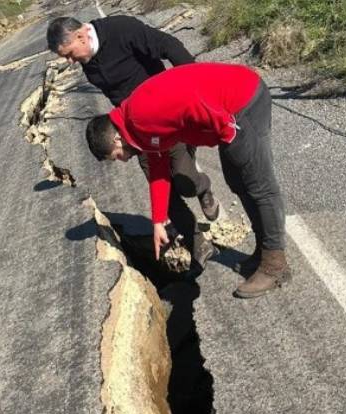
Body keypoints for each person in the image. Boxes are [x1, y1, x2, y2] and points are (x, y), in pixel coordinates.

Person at [85, 62, 290, 298]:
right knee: (237, 181)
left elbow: (191, 100)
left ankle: (275, 266)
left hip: (242, 102)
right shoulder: (135, 126)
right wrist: (159, 220)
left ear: (117, 140)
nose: (121, 161)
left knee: (258, 185)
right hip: (230, 109)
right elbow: (159, 168)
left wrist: (226, 128)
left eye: (115, 157)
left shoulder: (141, 115)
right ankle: (263, 250)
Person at [46, 15, 219, 269]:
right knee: (162, 190)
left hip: (167, 117)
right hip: (134, 131)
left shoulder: (120, 30)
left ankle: (202, 188)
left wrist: (196, 83)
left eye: (70, 54)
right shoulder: (88, 61)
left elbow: (168, 45)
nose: (71, 62)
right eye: (66, 58)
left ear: (81, 35)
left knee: (184, 180)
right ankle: (198, 244)